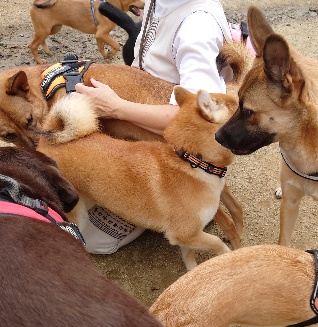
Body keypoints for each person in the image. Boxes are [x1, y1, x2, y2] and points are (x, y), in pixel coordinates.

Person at [74, 0, 236, 254]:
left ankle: (184, 207)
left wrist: (116, 107)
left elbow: (193, 116)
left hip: (175, 155)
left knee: (92, 240)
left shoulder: (197, 27)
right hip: (152, 138)